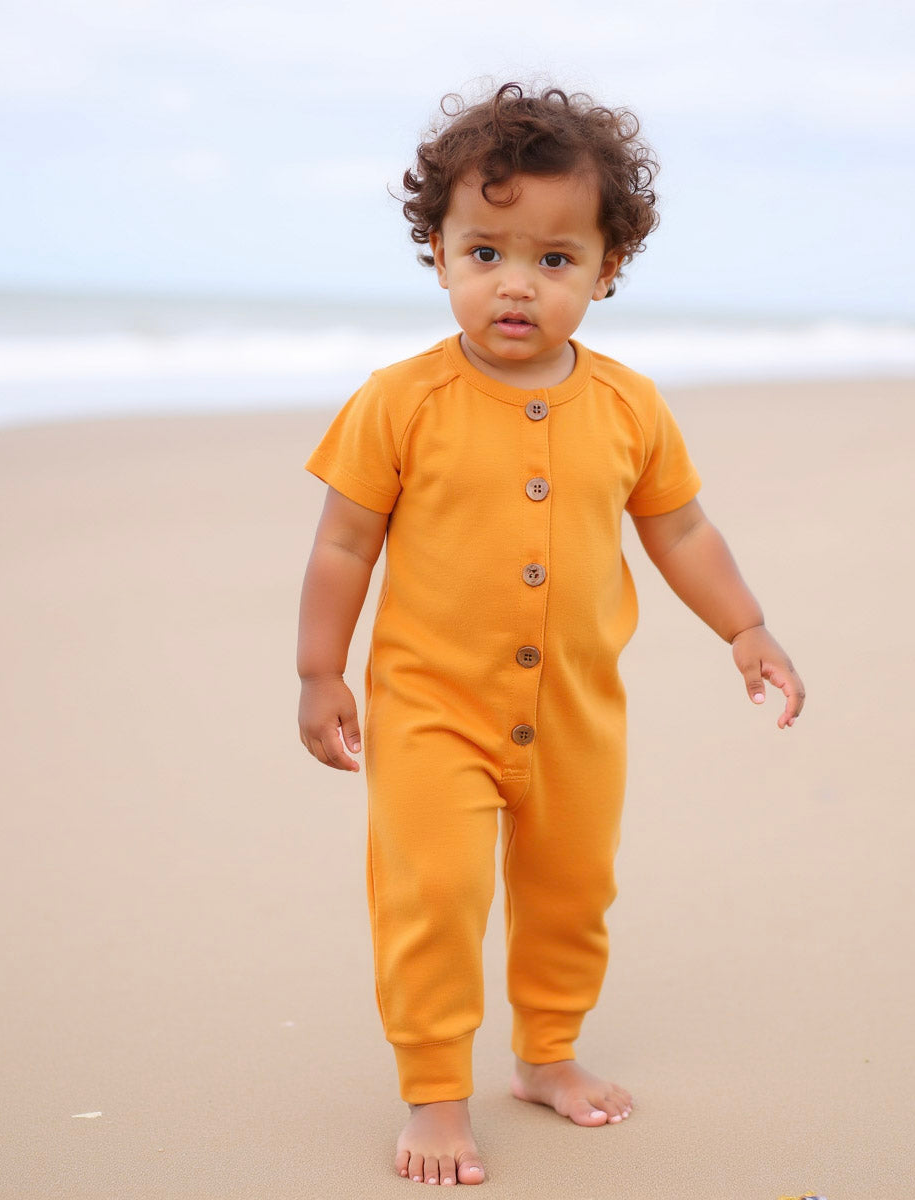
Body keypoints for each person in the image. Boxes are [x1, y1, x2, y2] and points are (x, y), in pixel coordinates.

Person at [297, 82, 805, 1186]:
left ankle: (547, 1054)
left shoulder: (629, 406)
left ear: (607, 269)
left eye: (555, 259)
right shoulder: (400, 400)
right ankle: (437, 1093)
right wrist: (319, 672)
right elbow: (342, 544)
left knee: (572, 894)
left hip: (577, 713)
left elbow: (681, 530)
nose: (516, 284)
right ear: (438, 253)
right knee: (433, 896)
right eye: (485, 253)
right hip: (431, 710)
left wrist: (746, 626)